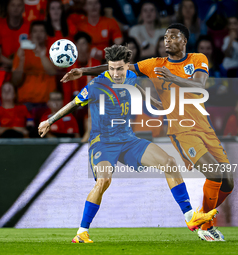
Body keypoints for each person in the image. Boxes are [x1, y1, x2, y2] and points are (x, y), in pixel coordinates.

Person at [60, 23, 234, 242]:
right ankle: (203, 224)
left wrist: (171, 78)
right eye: (165, 37)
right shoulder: (153, 64)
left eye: (173, 37)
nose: (167, 40)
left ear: (184, 40)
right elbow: (119, 67)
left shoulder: (198, 59)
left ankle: (201, 217)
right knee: (215, 174)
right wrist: (83, 71)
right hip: (182, 129)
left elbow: (199, 86)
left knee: (228, 181)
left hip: (204, 127)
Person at [12, 20, 57, 109]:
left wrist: (41, 54)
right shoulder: (22, 51)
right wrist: (21, 61)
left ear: (46, 35)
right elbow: (15, 81)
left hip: (47, 103)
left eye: (41, 31)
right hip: (26, 102)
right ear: (30, 35)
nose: (38, 34)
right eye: (35, 31)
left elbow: (52, 72)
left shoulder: (53, 51)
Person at [63, 32, 101, 105]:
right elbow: (67, 88)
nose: (80, 46)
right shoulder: (70, 65)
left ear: (88, 46)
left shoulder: (96, 64)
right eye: (78, 44)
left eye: (83, 43)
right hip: (73, 100)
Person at [0, 0, 30, 67]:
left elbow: (30, 53)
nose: (16, 8)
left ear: (24, 8)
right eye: (13, 5)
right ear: (7, 7)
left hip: (23, 66)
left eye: (19, 5)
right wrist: (13, 63)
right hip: (3, 65)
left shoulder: (29, 27)